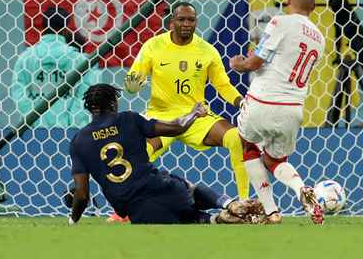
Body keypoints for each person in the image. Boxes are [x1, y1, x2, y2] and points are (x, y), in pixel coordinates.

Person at [121, 1, 249, 221]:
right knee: (136, 154)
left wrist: (240, 101)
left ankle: (245, 204)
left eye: (191, 20)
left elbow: (223, 85)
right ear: (172, 22)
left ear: (196, 22)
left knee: (236, 138)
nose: (186, 24)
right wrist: (133, 83)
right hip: (161, 117)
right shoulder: (153, 46)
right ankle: (123, 211)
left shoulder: (206, 50)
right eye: (181, 19)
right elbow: (132, 85)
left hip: (196, 116)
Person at [69, 84, 263, 225]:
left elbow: (82, 194)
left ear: (89, 107)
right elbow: (176, 128)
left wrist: (73, 219)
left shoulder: (79, 141)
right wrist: (194, 113)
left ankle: (217, 219)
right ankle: (229, 204)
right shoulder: (129, 119)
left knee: (189, 220)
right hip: (165, 188)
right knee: (186, 187)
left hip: (138, 211)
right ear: (113, 103)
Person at [229, 0, 325, 225]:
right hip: (293, 108)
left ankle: (272, 212)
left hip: (263, 99)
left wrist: (239, 64)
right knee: (274, 161)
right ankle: (301, 188)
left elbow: (256, 63)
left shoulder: (280, 22)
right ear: (313, 7)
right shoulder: (320, 38)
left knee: (248, 146)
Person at [10, 6, 100, 128]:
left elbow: (18, 92)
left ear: (43, 26)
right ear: (66, 28)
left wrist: (34, 120)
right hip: (72, 132)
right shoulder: (79, 60)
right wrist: (72, 124)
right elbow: (85, 96)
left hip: (33, 131)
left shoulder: (26, 58)